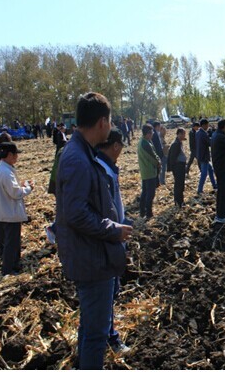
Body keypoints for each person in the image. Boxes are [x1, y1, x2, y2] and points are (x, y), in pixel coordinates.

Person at [54, 92, 133, 370]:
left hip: (92, 255)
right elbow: (76, 214)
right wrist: (114, 230)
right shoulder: (77, 158)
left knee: (91, 327)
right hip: (91, 260)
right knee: (96, 335)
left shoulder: (81, 152)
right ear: (102, 122)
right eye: (110, 121)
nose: (111, 127)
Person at [94, 127, 131, 354]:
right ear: (115, 146)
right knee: (107, 293)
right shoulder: (102, 171)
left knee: (110, 292)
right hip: (108, 240)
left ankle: (107, 331)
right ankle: (109, 338)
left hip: (113, 235)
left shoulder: (105, 167)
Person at [0, 142, 34, 276]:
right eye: (16, 154)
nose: (17, 157)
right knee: (11, 243)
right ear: (10, 155)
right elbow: (16, 193)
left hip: (1, 212)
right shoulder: (6, 172)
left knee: (10, 241)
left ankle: (14, 265)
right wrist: (28, 188)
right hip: (9, 213)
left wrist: (20, 185)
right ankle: (8, 269)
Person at [137, 124, 161, 219]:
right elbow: (153, 157)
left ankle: (142, 212)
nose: (153, 134)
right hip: (149, 171)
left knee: (145, 192)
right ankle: (149, 213)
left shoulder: (143, 141)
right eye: (151, 132)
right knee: (150, 193)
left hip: (145, 171)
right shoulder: (145, 143)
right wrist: (158, 163)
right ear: (147, 133)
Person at [196, 119, 217, 195]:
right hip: (204, 156)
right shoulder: (203, 134)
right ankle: (199, 189)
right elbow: (209, 143)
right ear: (203, 125)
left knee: (211, 170)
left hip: (201, 155)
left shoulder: (198, 132)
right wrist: (215, 137)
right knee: (204, 174)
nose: (208, 126)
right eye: (207, 125)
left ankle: (214, 185)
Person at [167, 128, 188, 207]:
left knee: (180, 184)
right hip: (178, 167)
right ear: (179, 134)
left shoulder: (179, 143)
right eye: (183, 134)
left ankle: (179, 200)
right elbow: (172, 158)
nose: (184, 136)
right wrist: (174, 168)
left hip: (181, 166)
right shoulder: (176, 144)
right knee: (179, 185)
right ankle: (179, 201)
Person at [151, 121, 165, 185]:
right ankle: (157, 182)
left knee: (159, 169)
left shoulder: (157, 133)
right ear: (156, 126)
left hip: (159, 153)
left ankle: (158, 182)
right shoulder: (154, 134)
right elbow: (155, 145)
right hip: (157, 154)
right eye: (159, 126)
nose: (160, 128)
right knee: (157, 169)